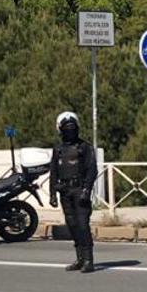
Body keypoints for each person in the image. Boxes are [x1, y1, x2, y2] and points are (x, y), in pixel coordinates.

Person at [49, 112, 98, 273]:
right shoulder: (58, 149)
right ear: (60, 130)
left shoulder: (85, 147)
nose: (69, 131)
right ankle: (80, 259)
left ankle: (89, 260)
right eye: (66, 128)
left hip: (79, 190)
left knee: (83, 225)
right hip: (64, 192)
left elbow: (92, 170)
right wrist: (52, 194)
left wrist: (86, 190)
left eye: (72, 128)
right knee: (72, 226)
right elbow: (54, 171)